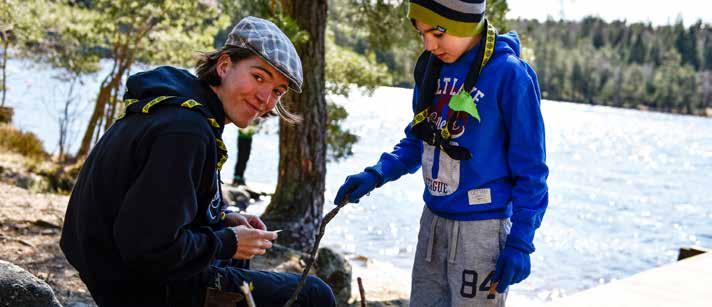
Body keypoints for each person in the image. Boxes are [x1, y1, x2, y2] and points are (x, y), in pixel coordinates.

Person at [60, 16, 335, 307]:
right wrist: (228, 240)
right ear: (225, 65)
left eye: (278, 91)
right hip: (137, 285)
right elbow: (147, 248)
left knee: (236, 262)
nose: (266, 99)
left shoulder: (185, 109)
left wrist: (223, 219)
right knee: (315, 295)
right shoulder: (185, 131)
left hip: (120, 271)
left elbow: (160, 206)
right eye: (259, 77)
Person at [334, 1, 549, 306]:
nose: (429, 45)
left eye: (437, 33)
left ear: (464, 23)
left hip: (483, 229)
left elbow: (532, 171)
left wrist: (521, 242)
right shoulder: (430, 68)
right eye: (421, 34)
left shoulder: (510, 75)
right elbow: (418, 140)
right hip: (432, 224)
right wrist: (377, 173)